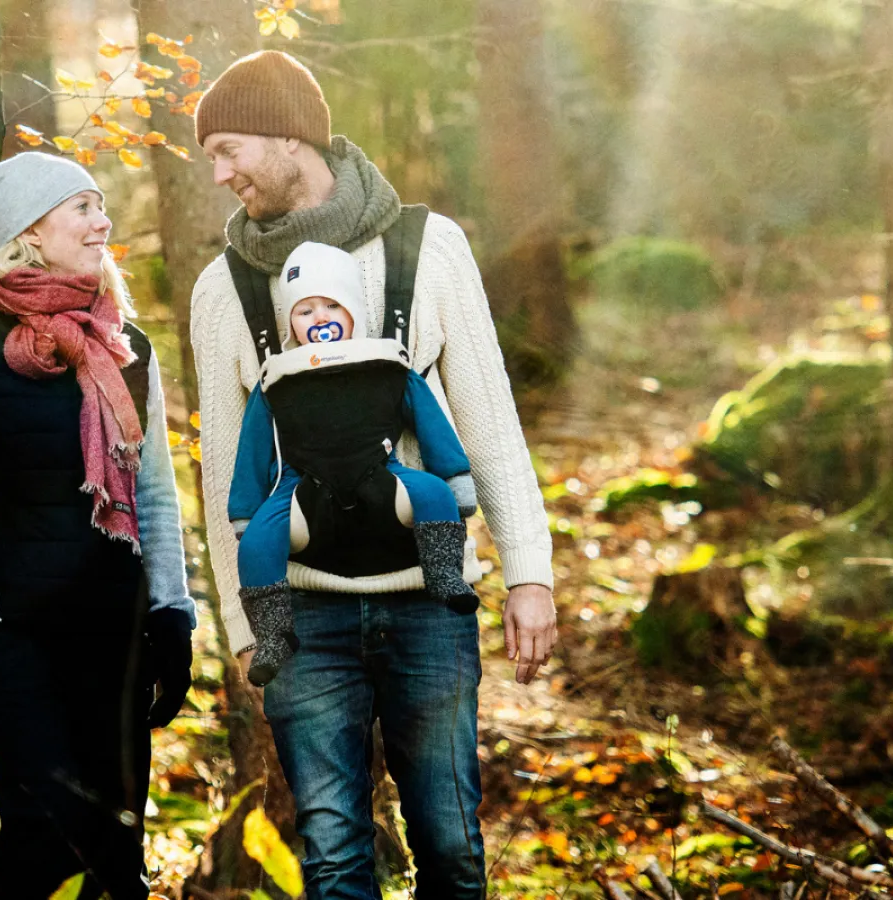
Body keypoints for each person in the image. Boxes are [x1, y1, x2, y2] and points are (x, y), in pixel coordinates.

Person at [188, 50, 558, 899]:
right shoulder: (223, 290)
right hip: (304, 614)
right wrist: (250, 629)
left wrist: (529, 574)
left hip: (431, 604)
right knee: (335, 861)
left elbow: (490, 421)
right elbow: (221, 479)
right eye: (211, 156)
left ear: (291, 137)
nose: (220, 173)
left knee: (454, 851)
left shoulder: (430, 249)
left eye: (230, 148)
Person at [0, 151, 195, 900]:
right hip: (9, 635)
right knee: (43, 832)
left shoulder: (126, 349)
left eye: (102, 206)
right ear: (29, 231)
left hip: (114, 631)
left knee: (116, 839)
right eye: (83, 208)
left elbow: (154, 494)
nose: (104, 222)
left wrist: (172, 613)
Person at [228, 240, 479, 687]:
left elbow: (430, 422)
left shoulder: (387, 366)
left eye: (331, 305)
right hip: (300, 491)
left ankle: (443, 573)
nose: (319, 318)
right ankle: (273, 633)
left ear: (353, 312)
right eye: (304, 311)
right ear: (290, 321)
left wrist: (455, 478)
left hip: (383, 478)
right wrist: (246, 513)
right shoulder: (278, 381)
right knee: (256, 546)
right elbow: (253, 449)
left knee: (433, 494)